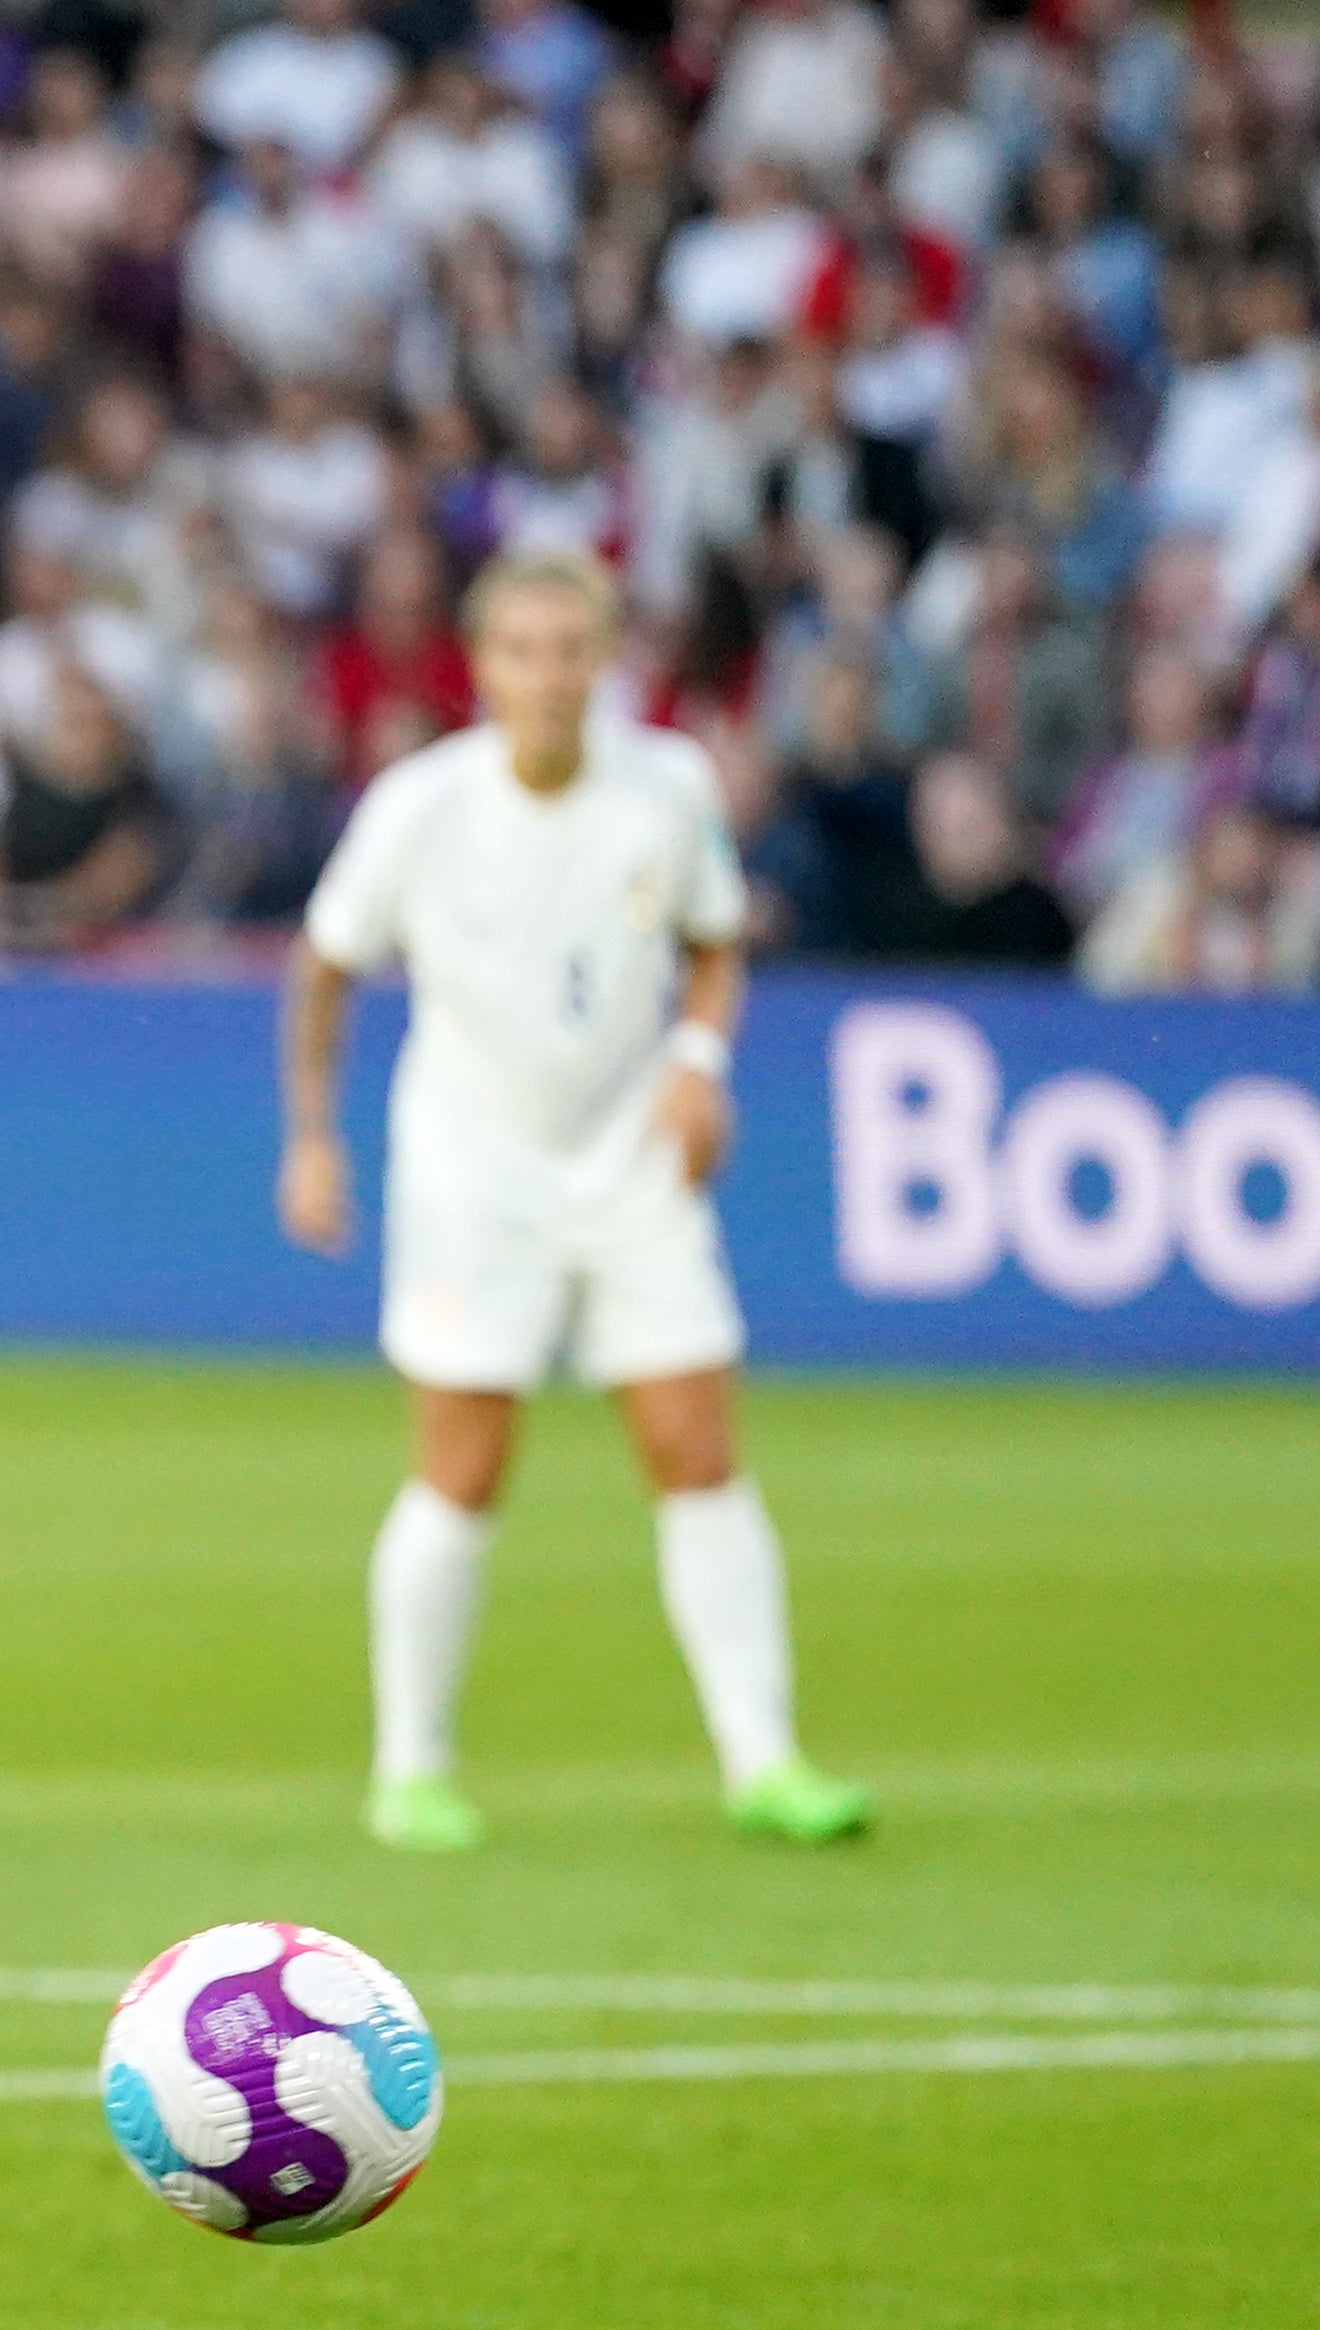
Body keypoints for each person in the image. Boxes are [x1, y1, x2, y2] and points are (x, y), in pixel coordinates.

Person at [276, 547, 871, 1855]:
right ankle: (411, 1765)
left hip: (634, 1168)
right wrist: (312, 1137)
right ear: (479, 667)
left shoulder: (666, 787)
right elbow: (323, 967)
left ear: (605, 663)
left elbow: (714, 939)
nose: (549, 677)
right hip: (473, 1179)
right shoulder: (421, 808)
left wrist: (700, 1065)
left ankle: (764, 1759)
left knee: (695, 1447)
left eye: (571, 650)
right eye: (522, 651)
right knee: (464, 1462)